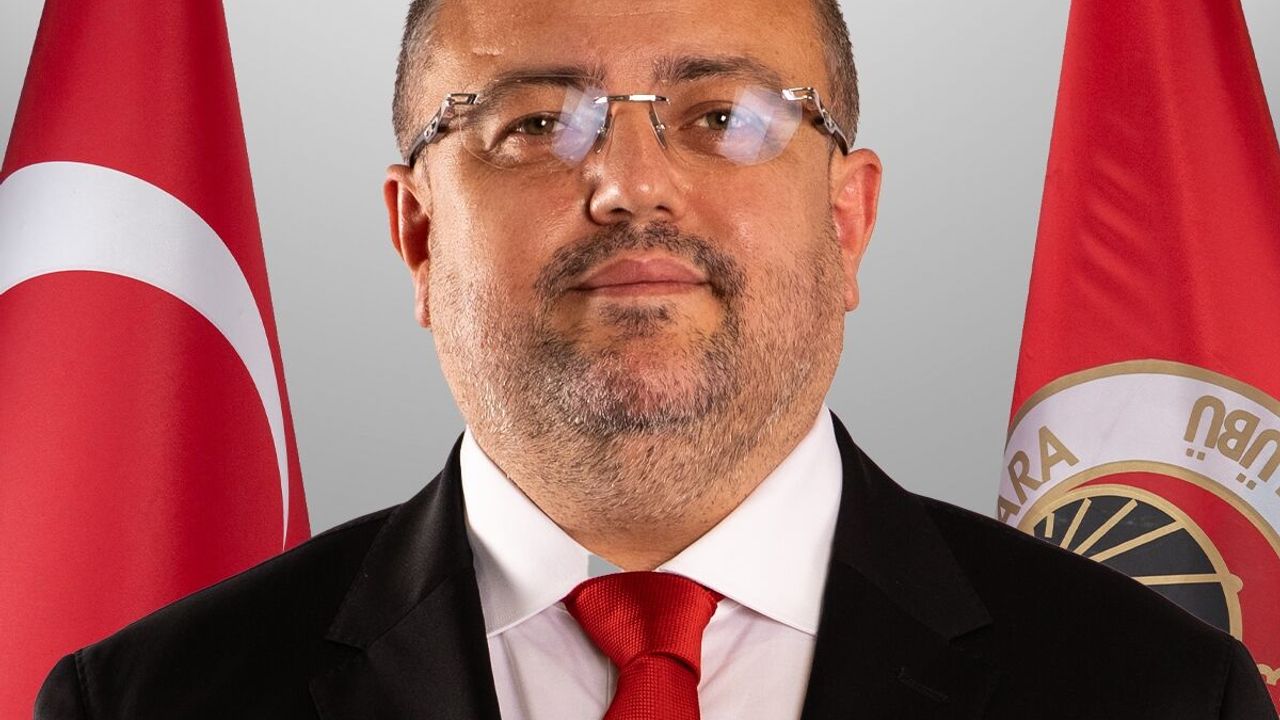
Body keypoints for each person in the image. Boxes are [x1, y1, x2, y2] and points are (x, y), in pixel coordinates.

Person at [34, 0, 1276, 717]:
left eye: (722, 117)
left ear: (846, 220)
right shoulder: (147, 705)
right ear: (417, 234)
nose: (630, 185)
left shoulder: (1159, 698)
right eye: (533, 122)